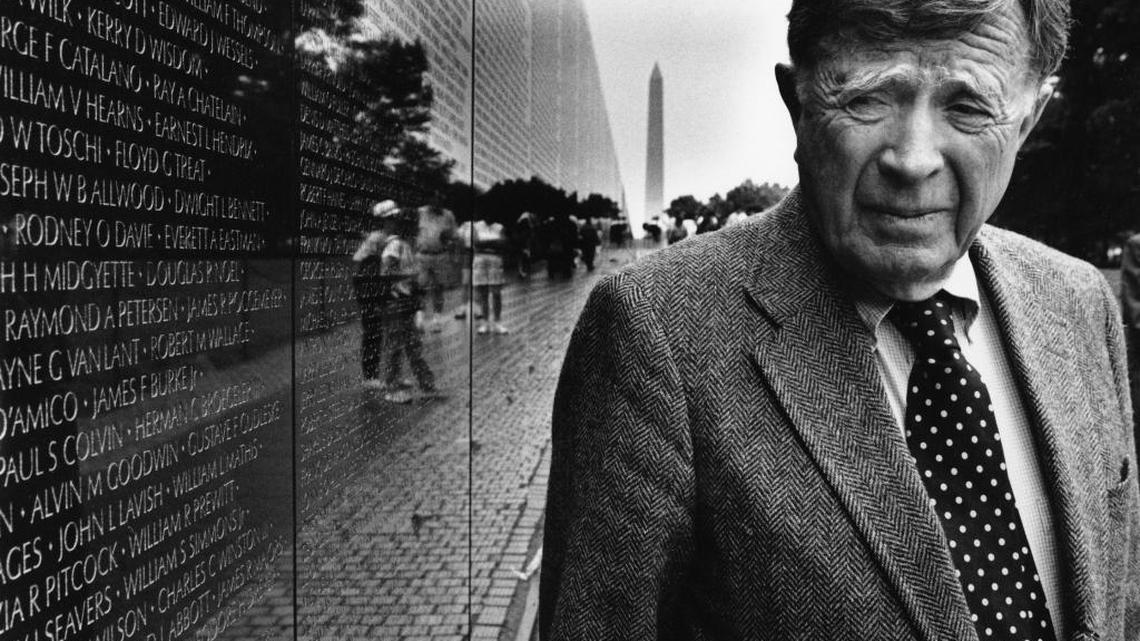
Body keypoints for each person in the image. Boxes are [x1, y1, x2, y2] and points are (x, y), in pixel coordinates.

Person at [541, 1, 1140, 639]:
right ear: (797, 106)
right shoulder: (655, 331)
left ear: (1027, 123)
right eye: (867, 99)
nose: (912, 159)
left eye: (967, 108)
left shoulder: (1079, 304)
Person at [380, 207, 436, 403]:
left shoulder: (408, 246)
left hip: (407, 301)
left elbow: (415, 281)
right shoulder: (394, 245)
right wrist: (410, 276)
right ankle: (391, 388)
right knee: (395, 347)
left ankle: (427, 384)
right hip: (396, 301)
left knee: (413, 345)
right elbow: (386, 273)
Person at [352, 200, 396, 390]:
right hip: (369, 287)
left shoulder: (383, 237)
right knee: (373, 332)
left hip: (374, 286)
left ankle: (380, 374)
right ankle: (369, 376)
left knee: (380, 332)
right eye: (391, 218)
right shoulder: (378, 238)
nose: (395, 221)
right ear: (384, 220)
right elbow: (368, 266)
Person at [415, 203, 458, 332]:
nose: (437, 200)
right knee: (419, 287)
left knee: (438, 288)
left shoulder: (448, 215)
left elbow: (454, 235)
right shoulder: (420, 212)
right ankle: (419, 319)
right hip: (422, 255)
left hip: (441, 255)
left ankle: (437, 320)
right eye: (434, 197)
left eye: (440, 198)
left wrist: (449, 241)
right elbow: (409, 229)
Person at [472, 217, 510, 335]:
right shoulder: (476, 226)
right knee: (483, 293)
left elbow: (503, 242)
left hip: (495, 260)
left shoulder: (500, 227)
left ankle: (497, 322)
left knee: (496, 292)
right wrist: (494, 242)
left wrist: (485, 243)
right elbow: (476, 242)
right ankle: (485, 323)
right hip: (480, 259)